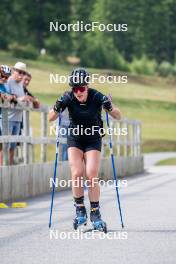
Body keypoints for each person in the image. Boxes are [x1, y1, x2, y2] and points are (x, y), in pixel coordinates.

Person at [48, 68, 121, 232]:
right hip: (75, 137)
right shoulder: (67, 97)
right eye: (75, 88)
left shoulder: (97, 96)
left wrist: (109, 106)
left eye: (81, 88)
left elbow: (118, 115)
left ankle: (95, 212)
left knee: (91, 173)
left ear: (87, 86)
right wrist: (56, 107)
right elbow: (50, 118)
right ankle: (80, 208)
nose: (78, 92)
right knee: (76, 172)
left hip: (93, 138)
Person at [7, 62, 31, 165]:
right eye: (19, 72)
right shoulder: (8, 82)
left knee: (13, 146)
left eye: (23, 73)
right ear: (14, 71)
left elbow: (23, 98)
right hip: (7, 118)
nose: (21, 75)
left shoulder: (21, 84)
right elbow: (8, 97)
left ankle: (10, 168)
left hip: (17, 118)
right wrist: (21, 99)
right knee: (4, 145)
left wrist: (29, 100)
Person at [0, 65, 15, 165]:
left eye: (7, 77)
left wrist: (10, 97)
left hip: (1, 116)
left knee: (1, 143)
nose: (4, 78)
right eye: (2, 76)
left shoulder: (4, 86)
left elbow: (11, 97)